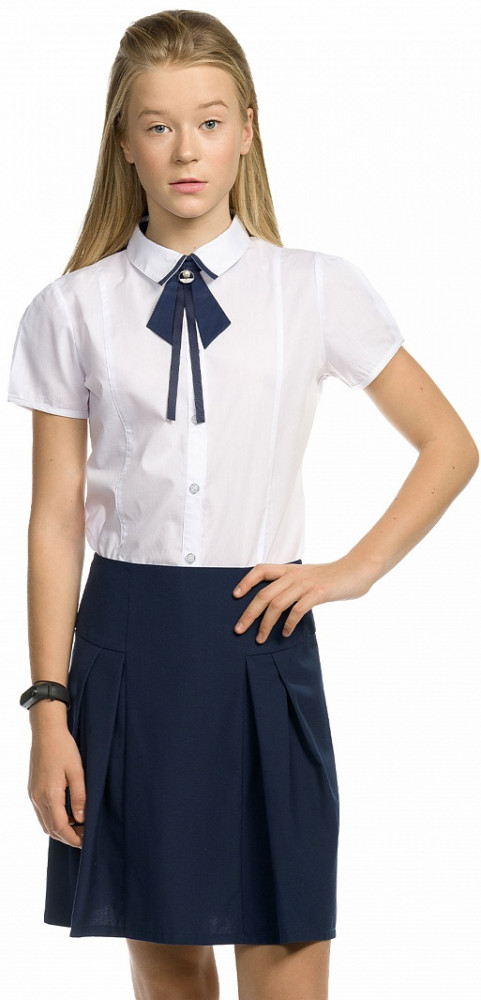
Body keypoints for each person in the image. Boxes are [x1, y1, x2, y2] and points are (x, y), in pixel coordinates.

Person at [7, 9, 478, 1000]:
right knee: (170, 978)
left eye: (210, 122)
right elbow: (55, 518)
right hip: (127, 650)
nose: (187, 150)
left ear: (247, 132)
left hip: (260, 640)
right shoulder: (70, 308)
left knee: (288, 965)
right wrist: (48, 710)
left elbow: (449, 444)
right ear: (123, 141)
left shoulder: (314, 289)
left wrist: (349, 571)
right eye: (159, 125)